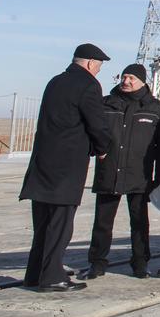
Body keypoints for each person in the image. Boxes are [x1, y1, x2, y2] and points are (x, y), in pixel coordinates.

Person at [19, 43, 115, 292]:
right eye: (99, 66)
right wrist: (102, 148)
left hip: (42, 163)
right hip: (66, 167)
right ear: (91, 64)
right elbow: (96, 123)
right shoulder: (89, 85)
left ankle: (35, 274)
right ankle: (52, 277)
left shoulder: (55, 81)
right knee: (60, 225)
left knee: (42, 223)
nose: (99, 71)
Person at [79, 62, 160, 281]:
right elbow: (92, 131)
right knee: (102, 221)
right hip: (109, 171)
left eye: (132, 78)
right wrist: (95, 149)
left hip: (139, 174)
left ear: (142, 82)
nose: (126, 81)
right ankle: (97, 262)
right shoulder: (107, 104)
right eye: (124, 77)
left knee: (139, 221)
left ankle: (140, 263)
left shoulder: (155, 108)